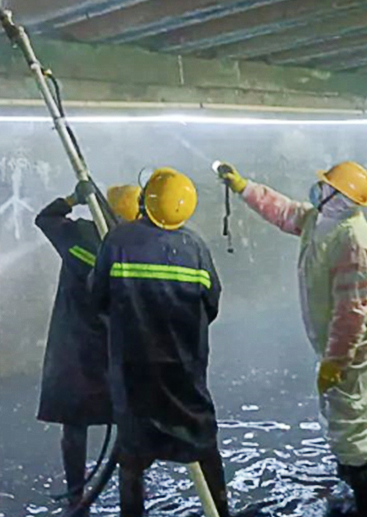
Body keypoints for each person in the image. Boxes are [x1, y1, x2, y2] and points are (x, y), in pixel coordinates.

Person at [217, 161, 367, 517]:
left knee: (351, 430)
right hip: (336, 346)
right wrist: (243, 186)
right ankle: (350, 492)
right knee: (339, 422)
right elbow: (284, 212)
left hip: (356, 352)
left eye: (325, 186)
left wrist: (336, 362)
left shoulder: (354, 242)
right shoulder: (322, 222)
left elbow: (352, 312)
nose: (318, 189)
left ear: (338, 197)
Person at [90, 168, 230, 517]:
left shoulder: (118, 241)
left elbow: (98, 298)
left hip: (134, 372)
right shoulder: (195, 247)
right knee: (203, 446)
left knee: (133, 457)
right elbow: (211, 304)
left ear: (145, 201)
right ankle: (222, 511)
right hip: (184, 371)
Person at [34, 182, 141, 513]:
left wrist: (73, 199)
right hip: (115, 346)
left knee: (74, 425)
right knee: (128, 426)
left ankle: (76, 498)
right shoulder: (133, 246)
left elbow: (45, 218)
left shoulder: (78, 234)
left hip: (73, 345)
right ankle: (132, 497)